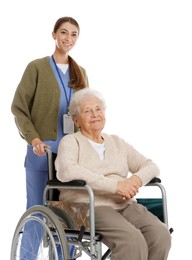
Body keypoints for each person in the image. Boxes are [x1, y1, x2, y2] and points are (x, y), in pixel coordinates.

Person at [55, 88, 172, 260]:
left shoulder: (117, 142)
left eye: (98, 109)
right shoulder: (71, 142)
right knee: (131, 240)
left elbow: (151, 166)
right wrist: (115, 186)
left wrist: (135, 180)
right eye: (87, 111)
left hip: (124, 204)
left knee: (161, 235)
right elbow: (67, 170)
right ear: (76, 120)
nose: (95, 114)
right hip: (89, 206)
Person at [11, 17, 88, 259]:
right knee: (36, 212)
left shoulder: (80, 72)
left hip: (71, 158)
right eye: (64, 33)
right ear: (54, 35)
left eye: (74, 34)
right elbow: (19, 108)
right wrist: (33, 139)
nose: (68, 39)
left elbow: (86, 114)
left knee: (69, 216)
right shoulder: (37, 68)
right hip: (41, 153)